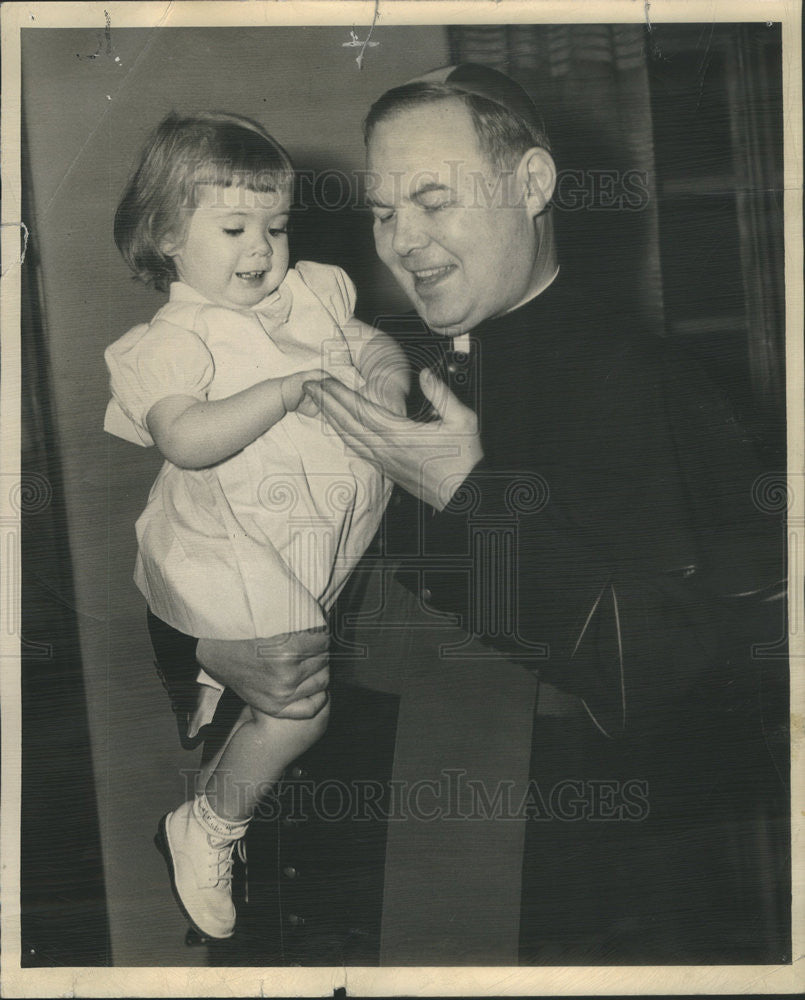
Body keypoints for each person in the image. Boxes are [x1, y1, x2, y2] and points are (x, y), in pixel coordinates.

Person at [301, 64, 786, 963]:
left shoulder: (645, 382)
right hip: (370, 848)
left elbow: (684, 685)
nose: (403, 240)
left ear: (531, 185)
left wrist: (467, 499)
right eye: (381, 211)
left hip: (566, 888)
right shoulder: (381, 367)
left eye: (433, 199)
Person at [103, 111, 406, 941]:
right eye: (233, 227)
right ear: (166, 234)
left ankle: (217, 742)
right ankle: (207, 827)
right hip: (229, 538)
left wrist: (382, 379)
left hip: (314, 543)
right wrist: (280, 392)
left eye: (274, 225)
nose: (261, 247)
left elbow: (369, 342)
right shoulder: (171, 340)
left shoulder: (309, 291)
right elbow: (183, 438)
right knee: (302, 707)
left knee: (289, 692)